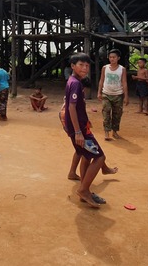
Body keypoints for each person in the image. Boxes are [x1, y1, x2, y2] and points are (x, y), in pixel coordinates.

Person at [63, 52, 108, 208]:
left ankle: (85, 189)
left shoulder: (73, 81)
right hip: (79, 129)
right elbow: (71, 107)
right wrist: (78, 132)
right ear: (73, 66)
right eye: (81, 65)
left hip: (80, 126)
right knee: (100, 157)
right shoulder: (75, 83)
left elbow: (75, 107)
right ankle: (83, 190)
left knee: (86, 156)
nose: (84, 68)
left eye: (87, 65)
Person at [59, 97, 118, 183]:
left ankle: (73, 173)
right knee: (88, 149)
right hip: (72, 120)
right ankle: (84, 185)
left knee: (81, 148)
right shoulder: (76, 91)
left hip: (70, 118)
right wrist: (78, 131)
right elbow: (73, 107)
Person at [97, 48, 129, 141]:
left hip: (118, 95)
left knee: (117, 114)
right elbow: (101, 80)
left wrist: (126, 96)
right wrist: (99, 92)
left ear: (118, 58)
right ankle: (106, 132)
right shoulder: (105, 68)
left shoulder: (122, 69)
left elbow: (124, 82)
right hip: (106, 94)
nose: (112, 59)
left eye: (114, 57)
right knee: (106, 113)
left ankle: (115, 132)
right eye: (110, 57)